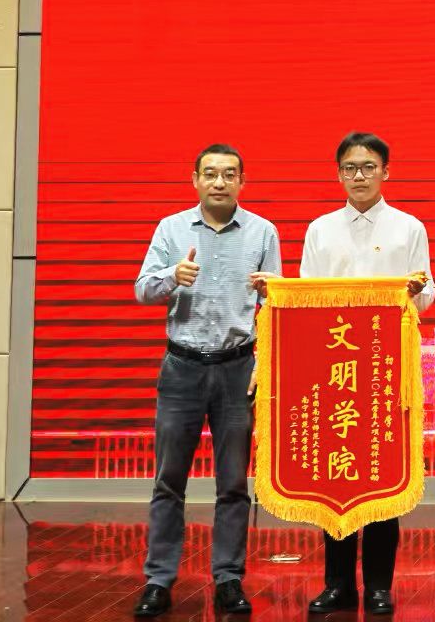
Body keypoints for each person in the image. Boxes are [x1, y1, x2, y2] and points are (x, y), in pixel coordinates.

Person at [131, 144, 281, 618]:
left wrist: (263, 352)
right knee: (168, 480)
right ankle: (159, 580)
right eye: (210, 173)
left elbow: (274, 305)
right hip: (183, 368)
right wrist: (172, 276)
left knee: (233, 482)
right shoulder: (171, 228)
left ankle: (229, 578)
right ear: (194, 179)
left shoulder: (263, 231)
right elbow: (142, 290)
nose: (220, 182)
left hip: (238, 369)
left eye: (229, 174)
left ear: (242, 182)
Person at [300, 132, 433, 617]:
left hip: (386, 370)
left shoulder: (408, 227)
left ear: (385, 172)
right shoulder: (320, 230)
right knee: (335, 478)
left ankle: (379, 585)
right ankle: (337, 584)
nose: (359, 176)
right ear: (339, 174)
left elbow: (426, 298)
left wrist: (415, 291)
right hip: (335, 372)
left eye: (369, 167)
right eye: (350, 168)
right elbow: (307, 299)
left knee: (383, 478)